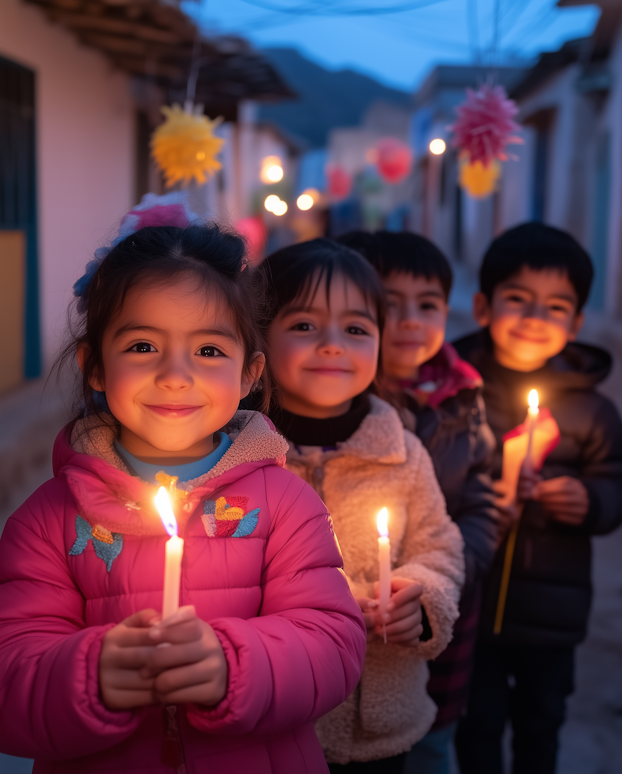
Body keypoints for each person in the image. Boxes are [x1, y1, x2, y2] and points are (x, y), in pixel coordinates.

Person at [0, 196, 366, 774]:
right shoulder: (48, 521)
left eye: (209, 350)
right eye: (143, 346)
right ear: (95, 366)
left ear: (249, 373)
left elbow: (333, 644)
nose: (175, 375)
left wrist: (232, 666)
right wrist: (89, 673)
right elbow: (11, 668)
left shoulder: (285, 505)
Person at [256, 238, 465, 773]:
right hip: (274, 716)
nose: (332, 345)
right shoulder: (242, 459)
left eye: (355, 329)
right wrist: (336, 604)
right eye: (304, 325)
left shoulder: (402, 451)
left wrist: (419, 603)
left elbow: (440, 546)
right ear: (259, 337)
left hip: (379, 723)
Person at [453, 222, 622, 774]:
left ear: (576, 322)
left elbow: (618, 483)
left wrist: (589, 499)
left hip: (551, 612)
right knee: (474, 724)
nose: (535, 318)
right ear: (483, 307)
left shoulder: (593, 410)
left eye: (556, 306)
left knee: (541, 723)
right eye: (517, 299)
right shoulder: (456, 391)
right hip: (470, 607)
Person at [340, 231, 499, 774]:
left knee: (431, 736)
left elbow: (482, 504)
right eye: (388, 303)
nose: (409, 320)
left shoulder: (464, 399)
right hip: (351, 617)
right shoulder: (344, 404)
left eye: (428, 304)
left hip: (435, 606)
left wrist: (450, 576)